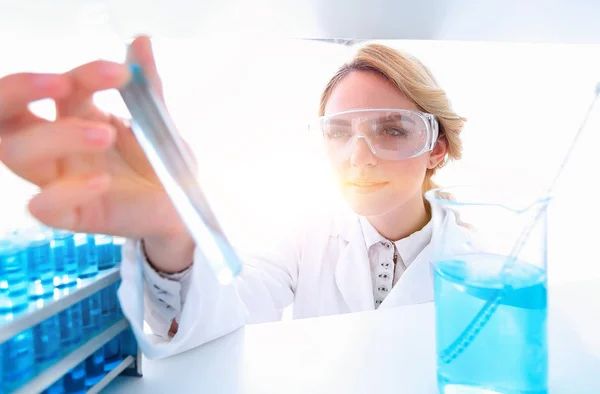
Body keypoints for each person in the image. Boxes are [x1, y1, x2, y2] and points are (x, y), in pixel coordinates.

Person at [0, 36, 467, 359]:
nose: (358, 157)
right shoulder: (305, 234)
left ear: (437, 146)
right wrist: (173, 228)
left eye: (391, 129)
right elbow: (219, 318)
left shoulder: (483, 256)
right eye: (339, 132)